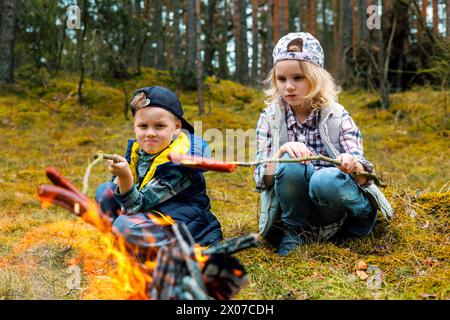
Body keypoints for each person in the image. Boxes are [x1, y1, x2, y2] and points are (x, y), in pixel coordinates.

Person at [254, 32, 393, 256]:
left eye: (298, 78)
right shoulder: (269, 118)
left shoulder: (336, 116)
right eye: (282, 79)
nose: (288, 86)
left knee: (324, 179)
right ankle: (296, 232)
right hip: (296, 208)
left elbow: (364, 170)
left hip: (334, 202)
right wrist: (280, 153)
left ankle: (361, 217)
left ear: (316, 77)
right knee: (289, 162)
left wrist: (352, 163)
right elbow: (261, 177)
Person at [95, 86, 223, 260]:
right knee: (106, 192)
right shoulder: (140, 152)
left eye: (160, 126)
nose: (150, 133)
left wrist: (125, 177)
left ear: (176, 127)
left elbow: (135, 206)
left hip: (185, 225)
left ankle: (155, 252)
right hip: (151, 215)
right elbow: (123, 197)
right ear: (134, 127)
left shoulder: (179, 164)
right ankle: (124, 248)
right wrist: (120, 177)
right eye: (143, 126)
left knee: (124, 226)